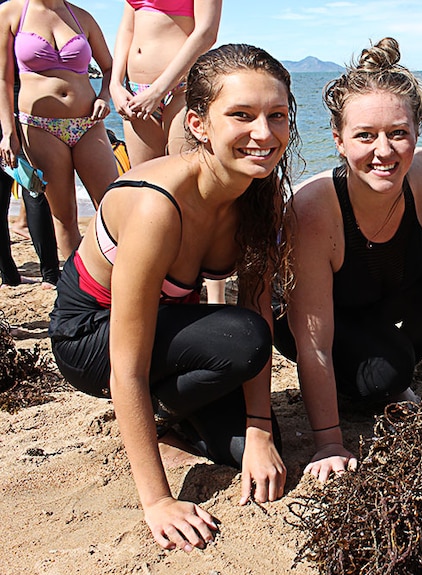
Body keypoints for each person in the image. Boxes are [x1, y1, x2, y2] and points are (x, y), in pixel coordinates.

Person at [49, 44, 298, 551]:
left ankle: (169, 419)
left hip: (166, 330)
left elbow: (255, 302)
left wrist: (258, 432)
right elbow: (127, 365)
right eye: (242, 116)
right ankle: (158, 416)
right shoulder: (155, 205)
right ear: (199, 124)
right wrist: (157, 500)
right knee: (243, 338)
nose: (264, 134)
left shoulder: (262, 191)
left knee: (253, 447)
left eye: (277, 116)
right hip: (92, 336)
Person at [273, 37, 422, 483]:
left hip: (380, 294)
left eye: (398, 133)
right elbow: (313, 340)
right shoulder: (314, 208)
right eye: (365, 135)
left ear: (417, 134)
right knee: (383, 378)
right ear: (339, 141)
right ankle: (384, 368)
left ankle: (393, 356)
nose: (383, 151)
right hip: (309, 317)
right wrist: (328, 441)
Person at [109, 0, 223, 302]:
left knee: (193, 192)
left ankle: (212, 292)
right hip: (135, 90)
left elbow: (206, 32)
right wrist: (114, 83)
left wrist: (160, 88)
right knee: (145, 191)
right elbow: (127, 27)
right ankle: (158, 282)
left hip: (181, 88)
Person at [0, 0, 117, 260]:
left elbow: (109, 67)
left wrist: (104, 97)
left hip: (88, 123)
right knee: (64, 216)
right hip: (40, 126)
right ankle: (78, 289)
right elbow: (4, 78)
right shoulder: (11, 12)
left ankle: (112, 275)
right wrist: (8, 130)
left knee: (112, 205)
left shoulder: (81, 17)